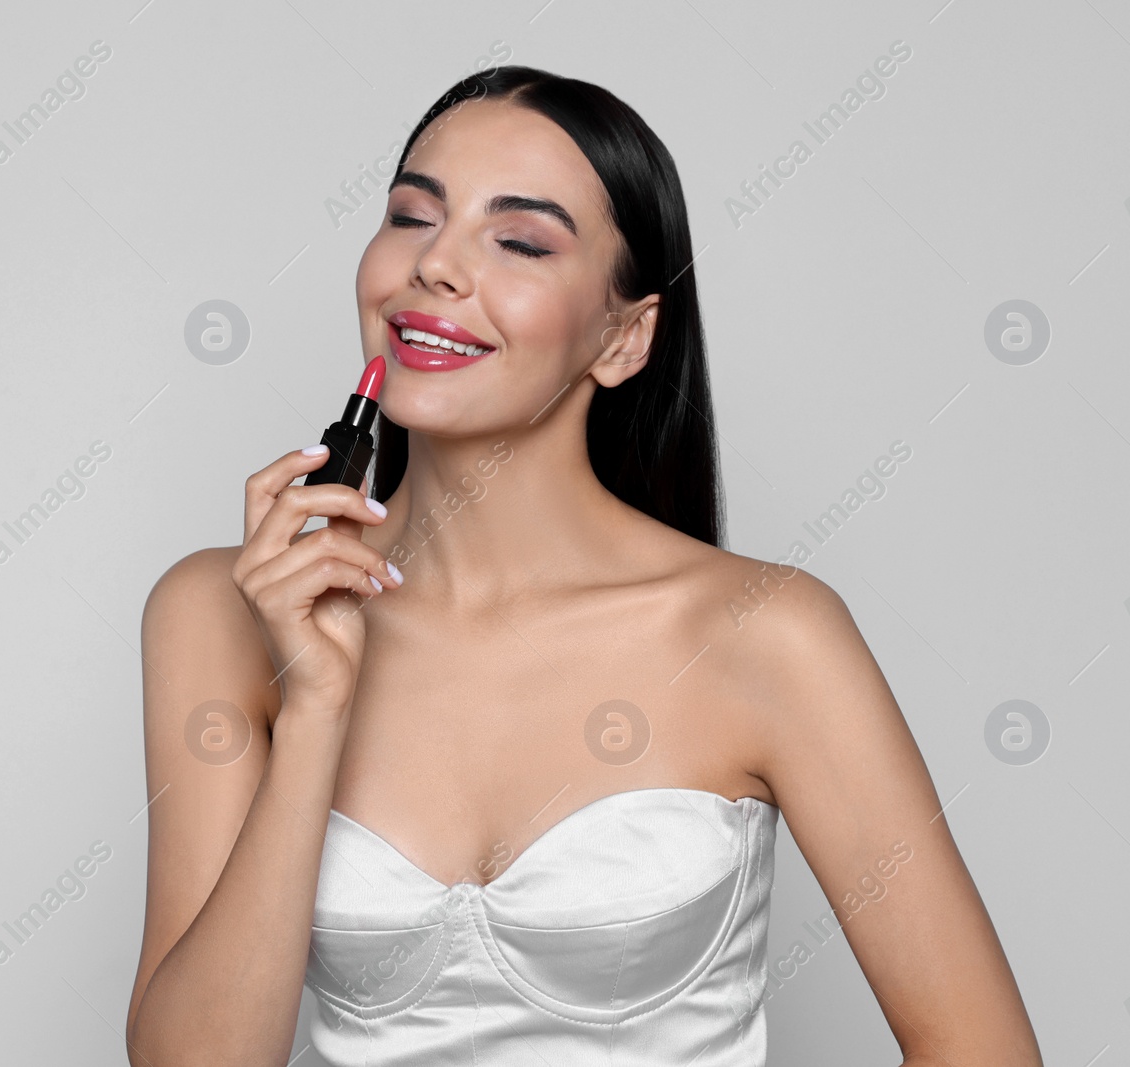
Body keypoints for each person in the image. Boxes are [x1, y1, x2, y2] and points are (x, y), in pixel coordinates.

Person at [125, 65, 1043, 1066]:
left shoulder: (766, 633)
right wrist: (310, 714)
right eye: (410, 216)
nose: (436, 265)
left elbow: (980, 1046)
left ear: (623, 335)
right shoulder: (216, 613)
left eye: (517, 240)